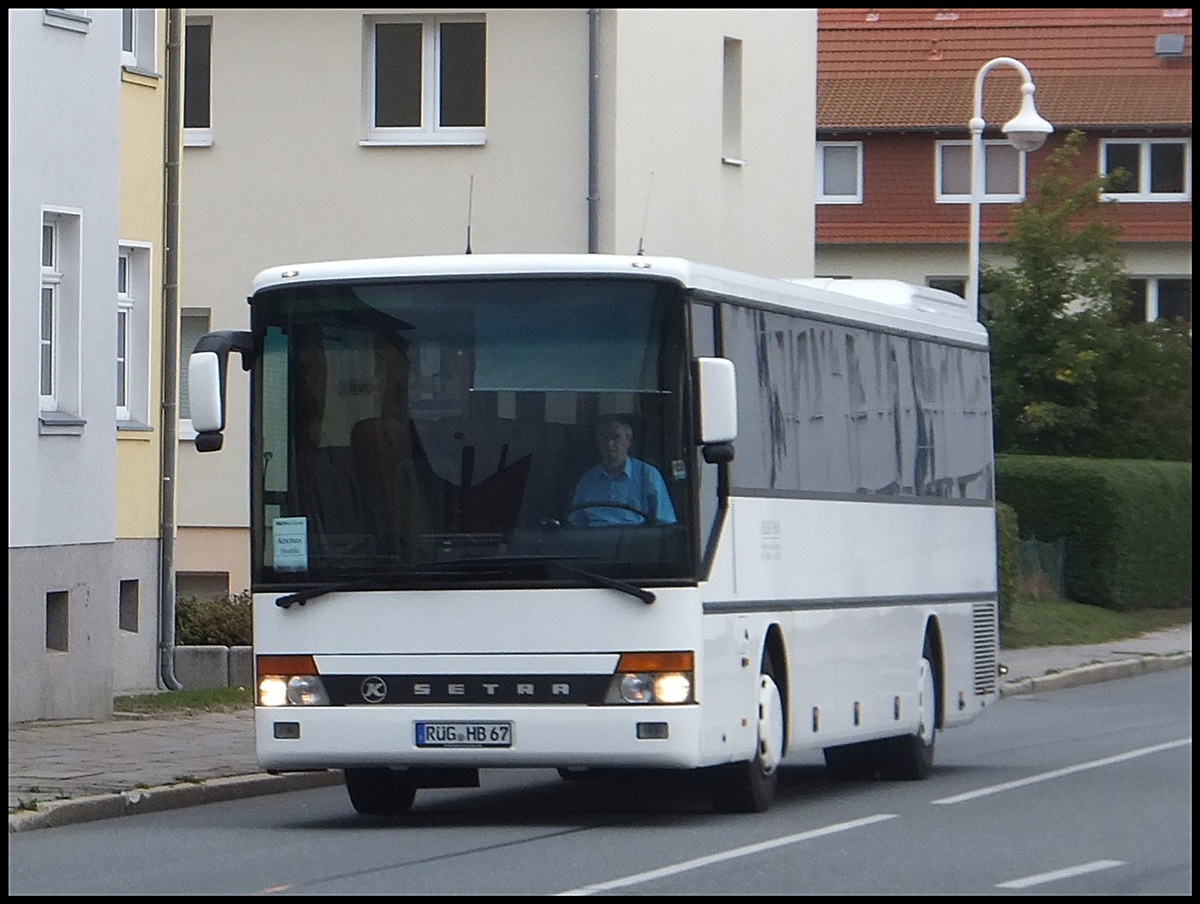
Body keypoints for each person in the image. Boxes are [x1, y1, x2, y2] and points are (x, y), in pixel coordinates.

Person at [569, 415, 677, 527]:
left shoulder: (648, 475)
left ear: (629, 441)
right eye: (604, 438)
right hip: (595, 541)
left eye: (615, 437)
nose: (609, 444)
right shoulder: (587, 481)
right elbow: (575, 524)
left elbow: (664, 522)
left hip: (635, 541)